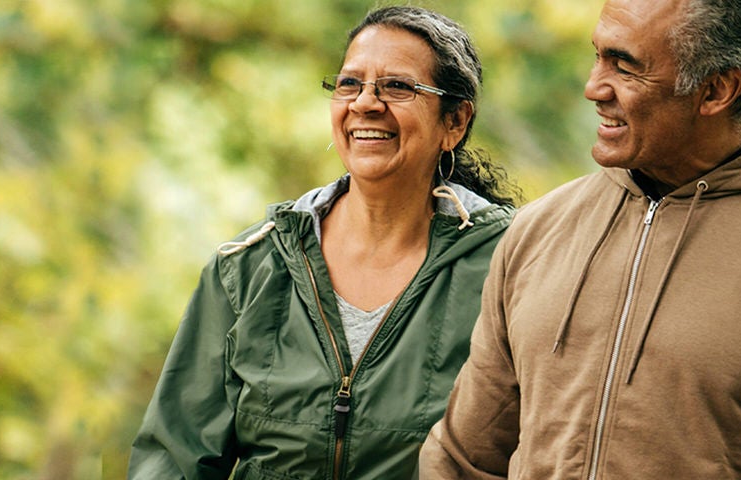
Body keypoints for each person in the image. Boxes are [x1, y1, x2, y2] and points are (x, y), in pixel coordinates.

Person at [419, 0, 741, 478]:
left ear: (717, 90)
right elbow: (463, 459)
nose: (593, 87)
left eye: (625, 66)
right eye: (597, 55)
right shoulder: (539, 229)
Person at [129, 5, 521, 479]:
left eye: (397, 86)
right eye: (350, 84)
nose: (366, 103)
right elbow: (172, 458)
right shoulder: (251, 267)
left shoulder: (510, 266)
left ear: (454, 122)